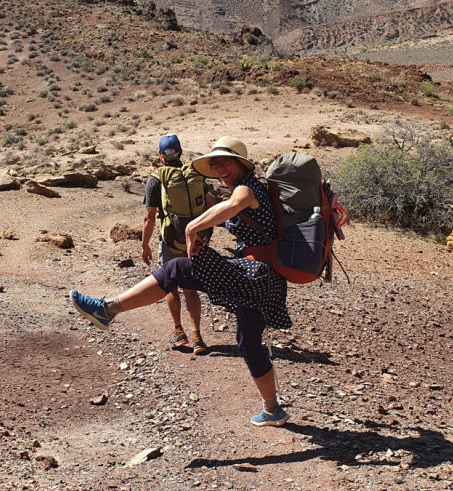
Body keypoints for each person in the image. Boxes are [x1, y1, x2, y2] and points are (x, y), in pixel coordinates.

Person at [71, 136, 291, 427]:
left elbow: (235, 204)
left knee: (175, 268)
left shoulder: (247, 189)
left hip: (255, 274)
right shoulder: (256, 189)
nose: (218, 167)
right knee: (248, 343)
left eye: (224, 161)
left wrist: (193, 226)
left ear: (241, 163)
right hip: (268, 279)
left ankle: (106, 309)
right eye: (214, 164)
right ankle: (273, 409)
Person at [141, 133, 210, 354]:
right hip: (197, 238)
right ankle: (197, 336)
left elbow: (149, 218)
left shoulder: (156, 177)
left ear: (160, 156)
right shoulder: (195, 172)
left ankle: (179, 331)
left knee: (170, 283)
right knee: (190, 286)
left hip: (171, 238)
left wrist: (144, 245)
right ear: (180, 152)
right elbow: (209, 205)